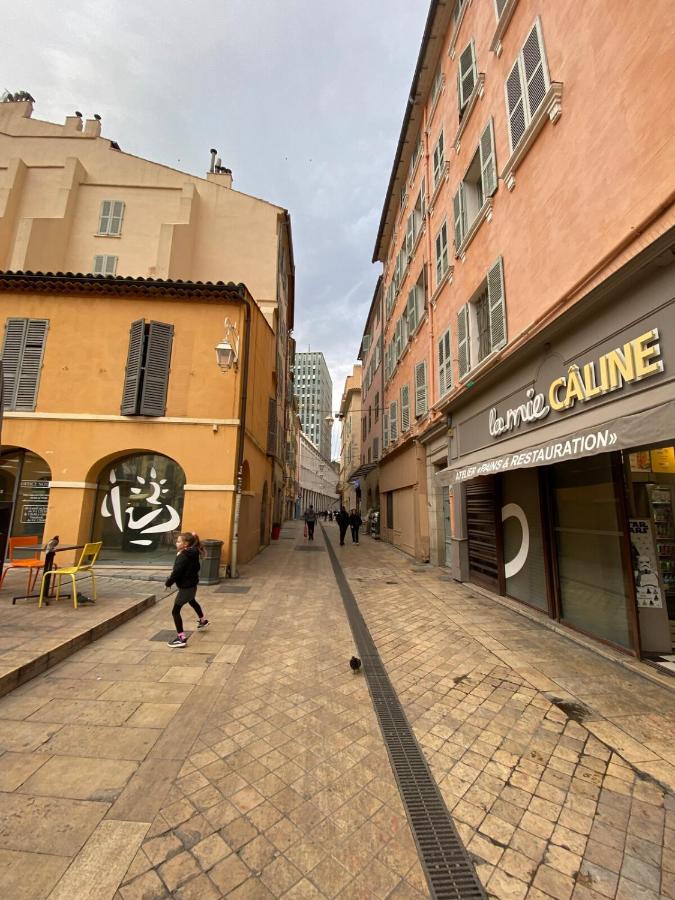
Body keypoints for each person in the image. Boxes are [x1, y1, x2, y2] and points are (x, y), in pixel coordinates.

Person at [165, 532, 208, 648]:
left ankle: (181, 638)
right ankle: (203, 620)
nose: (176, 543)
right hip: (192, 586)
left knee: (175, 611)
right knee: (192, 601)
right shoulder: (193, 552)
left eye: (178, 541)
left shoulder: (183, 556)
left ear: (185, 544)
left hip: (186, 588)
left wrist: (168, 582)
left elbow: (176, 573)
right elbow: (196, 568)